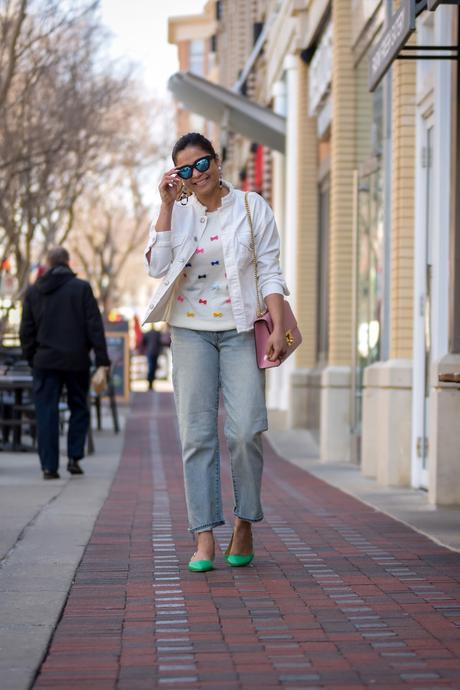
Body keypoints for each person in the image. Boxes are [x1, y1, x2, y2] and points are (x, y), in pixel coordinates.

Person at [143, 132, 289, 572]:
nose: (196, 174)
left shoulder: (251, 206)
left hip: (241, 330)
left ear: (218, 159)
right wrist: (167, 206)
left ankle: (244, 522)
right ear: (177, 176)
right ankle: (203, 534)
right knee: (197, 434)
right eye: (185, 169)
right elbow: (156, 267)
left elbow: (270, 270)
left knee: (246, 430)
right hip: (190, 332)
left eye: (202, 163)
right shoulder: (180, 213)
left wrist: (279, 327)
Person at [20, 246, 110, 480]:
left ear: (48, 264)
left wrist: (31, 357)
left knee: (46, 412)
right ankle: (74, 458)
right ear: (68, 262)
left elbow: (26, 331)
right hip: (76, 360)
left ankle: (49, 466)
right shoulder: (81, 289)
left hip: (45, 361)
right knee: (79, 407)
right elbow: (94, 327)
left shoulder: (34, 292)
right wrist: (102, 359)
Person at [142, 326, 163, 390]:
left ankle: (150, 382)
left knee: (151, 367)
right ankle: (150, 382)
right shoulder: (158, 333)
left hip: (150, 352)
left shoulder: (147, 333)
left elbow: (143, 342)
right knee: (153, 368)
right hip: (155, 352)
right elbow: (160, 342)